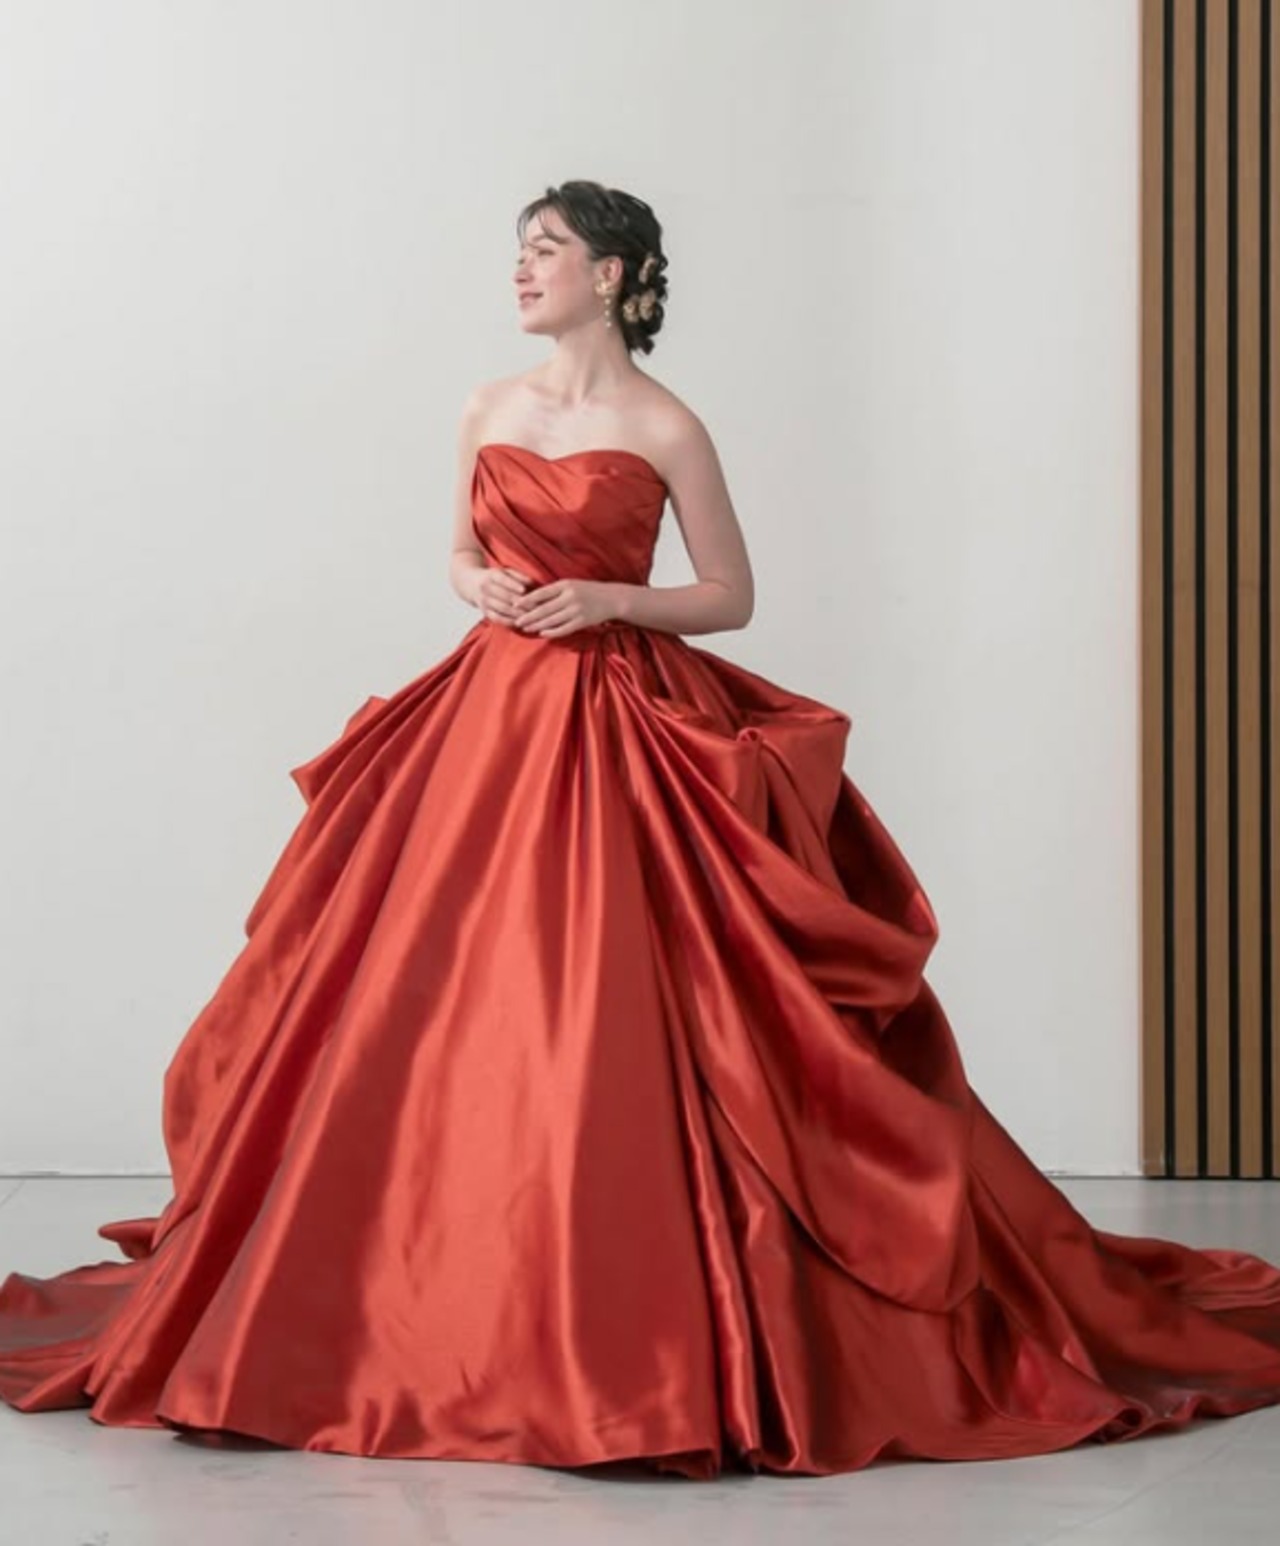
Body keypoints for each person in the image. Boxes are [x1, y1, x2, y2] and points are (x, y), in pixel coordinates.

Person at [2, 179, 1280, 1482]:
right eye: (519, 252)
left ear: (611, 275)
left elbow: (729, 593)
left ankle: (626, 1305)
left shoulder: (667, 424)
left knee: (621, 993)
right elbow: (455, 551)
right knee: (430, 991)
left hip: (619, 720)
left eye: (545, 250)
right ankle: (423, 1282)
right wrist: (484, 584)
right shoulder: (486, 406)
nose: (521, 270)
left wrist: (611, 600)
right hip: (489, 719)